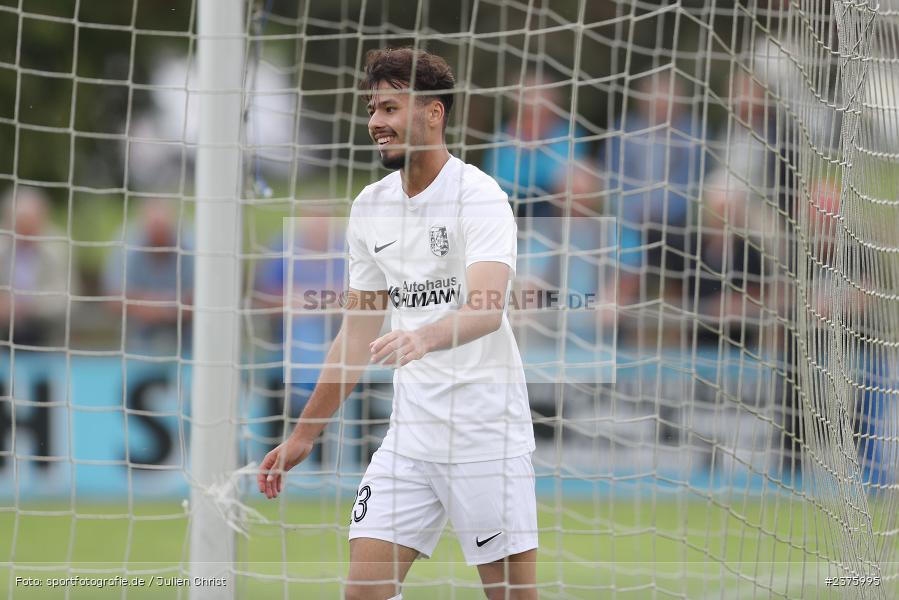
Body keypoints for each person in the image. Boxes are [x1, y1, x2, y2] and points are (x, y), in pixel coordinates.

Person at [257, 47, 538, 600]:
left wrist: (422, 336)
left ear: (433, 113)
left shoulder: (479, 196)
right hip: (409, 439)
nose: (375, 123)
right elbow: (356, 332)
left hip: (486, 437)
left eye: (389, 108)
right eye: (371, 109)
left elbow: (486, 307)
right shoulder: (370, 207)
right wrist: (305, 432)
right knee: (362, 594)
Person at [102, 199, 193, 356]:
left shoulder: (191, 247)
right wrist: (167, 307)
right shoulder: (125, 245)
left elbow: (198, 299)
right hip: (137, 332)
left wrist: (149, 304)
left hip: (187, 334)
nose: (158, 242)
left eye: (163, 234)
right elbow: (114, 298)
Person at [0, 187, 75, 348]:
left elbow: (66, 298)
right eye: (19, 224)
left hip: (46, 332)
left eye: (30, 223)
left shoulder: (59, 248)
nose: (25, 231)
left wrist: (24, 306)